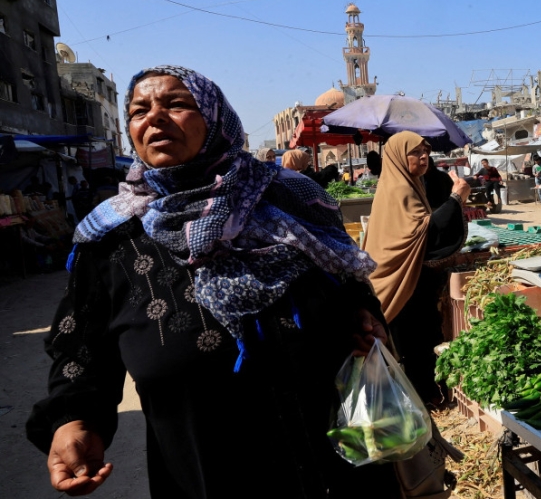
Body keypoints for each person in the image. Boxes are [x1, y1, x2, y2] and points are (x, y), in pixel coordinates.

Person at [26, 65, 399, 499]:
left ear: (217, 118)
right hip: (204, 472)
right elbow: (80, 351)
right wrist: (74, 418)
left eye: (177, 104)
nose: (155, 118)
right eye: (139, 110)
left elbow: (349, 279)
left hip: (341, 464)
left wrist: (365, 316)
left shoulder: (291, 200)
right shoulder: (112, 240)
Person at [363, 131, 470, 403]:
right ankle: (421, 397)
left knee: (421, 338)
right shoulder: (400, 188)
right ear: (399, 156)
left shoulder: (410, 184)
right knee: (414, 341)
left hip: (409, 278)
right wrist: (456, 199)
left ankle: (426, 395)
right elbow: (425, 234)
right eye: (416, 152)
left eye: (426, 152)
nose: (424, 157)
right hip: (399, 281)